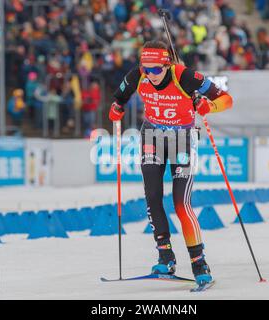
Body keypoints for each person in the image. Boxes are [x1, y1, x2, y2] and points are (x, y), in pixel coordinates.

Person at [108, 40, 233, 286]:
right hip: (152, 137)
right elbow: (119, 97)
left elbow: (227, 99)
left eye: (156, 69)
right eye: (147, 68)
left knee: (180, 204)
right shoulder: (138, 75)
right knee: (153, 196)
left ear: (167, 65)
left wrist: (209, 105)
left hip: (183, 140)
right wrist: (116, 109)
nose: (151, 74)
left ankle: (199, 262)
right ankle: (165, 255)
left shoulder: (185, 77)